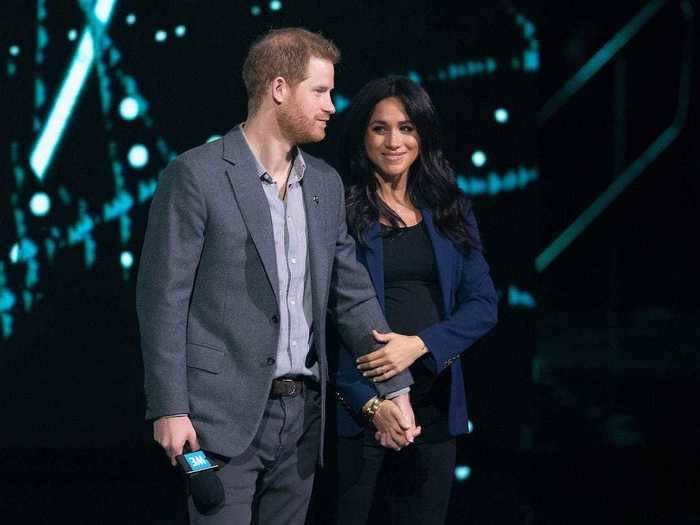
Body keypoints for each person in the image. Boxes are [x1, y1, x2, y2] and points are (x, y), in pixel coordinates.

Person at [135, 29, 421, 525]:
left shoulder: (325, 184)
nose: (332, 106)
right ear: (279, 88)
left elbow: (351, 297)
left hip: (303, 419)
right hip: (219, 418)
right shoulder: (196, 176)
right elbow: (163, 300)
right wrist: (169, 407)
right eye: (321, 91)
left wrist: (395, 388)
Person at [331, 76, 498, 525]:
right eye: (379, 128)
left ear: (422, 135)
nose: (394, 141)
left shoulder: (449, 208)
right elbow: (330, 315)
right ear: (362, 136)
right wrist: (372, 402)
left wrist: (419, 343)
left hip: (435, 404)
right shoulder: (338, 210)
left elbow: (483, 304)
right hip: (362, 405)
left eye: (406, 128)